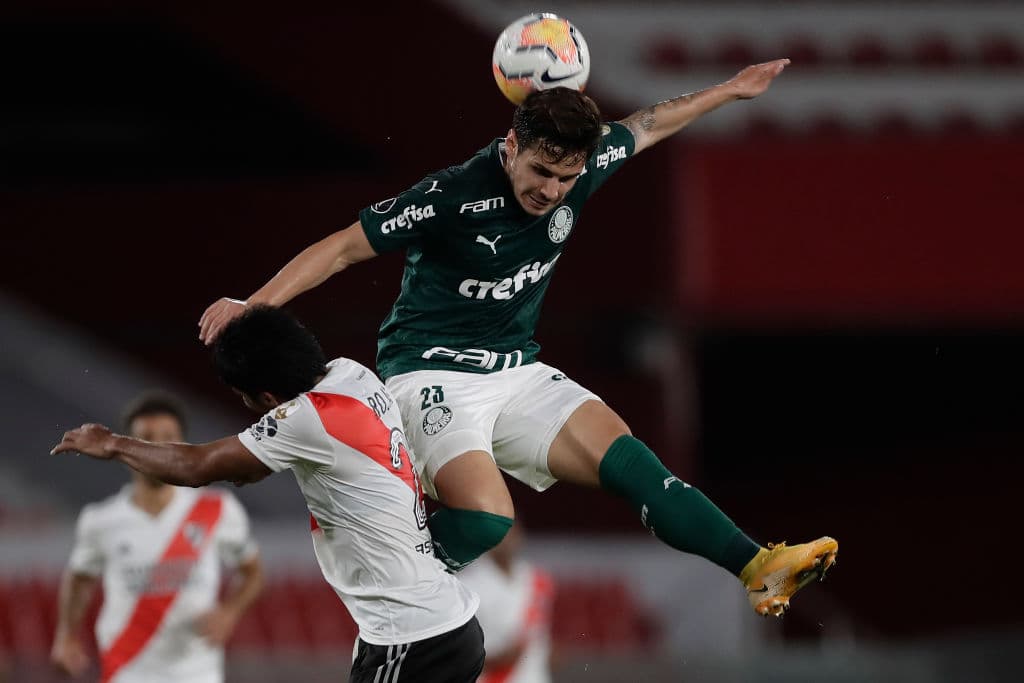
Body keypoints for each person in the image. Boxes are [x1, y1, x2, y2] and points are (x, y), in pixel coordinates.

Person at [197, 60, 838, 617]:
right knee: (486, 520)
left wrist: (732, 88)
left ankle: (758, 566)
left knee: (638, 470)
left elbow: (651, 123)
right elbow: (341, 249)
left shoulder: (582, 166)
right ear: (511, 147)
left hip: (516, 371)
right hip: (429, 372)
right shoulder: (451, 194)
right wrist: (252, 304)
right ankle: (385, 577)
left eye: (565, 179)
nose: (551, 192)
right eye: (540, 173)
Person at [53, 306, 484, 683]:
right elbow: (253, 465)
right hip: (437, 623)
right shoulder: (352, 374)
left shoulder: (306, 419)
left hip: (412, 635)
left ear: (265, 397)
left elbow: (198, 466)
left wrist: (112, 444)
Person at [50, 392, 264, 683]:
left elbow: (252, 572)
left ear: (184, 445)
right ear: (128, 449)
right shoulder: (100, 519)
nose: (156, 446)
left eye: (167, 436)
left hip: (197, 672)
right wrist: (66, 636)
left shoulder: (217, 509)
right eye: (145, 438)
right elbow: (80, 579)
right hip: (126, 670)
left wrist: (229, 612)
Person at [458, 523, 554, 683]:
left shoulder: (537, 579)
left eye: (512, 529)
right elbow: (457, 657)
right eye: (501, 530)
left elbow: (540, 637)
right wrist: (497, 660)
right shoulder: (467, 585)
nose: (508, 537)